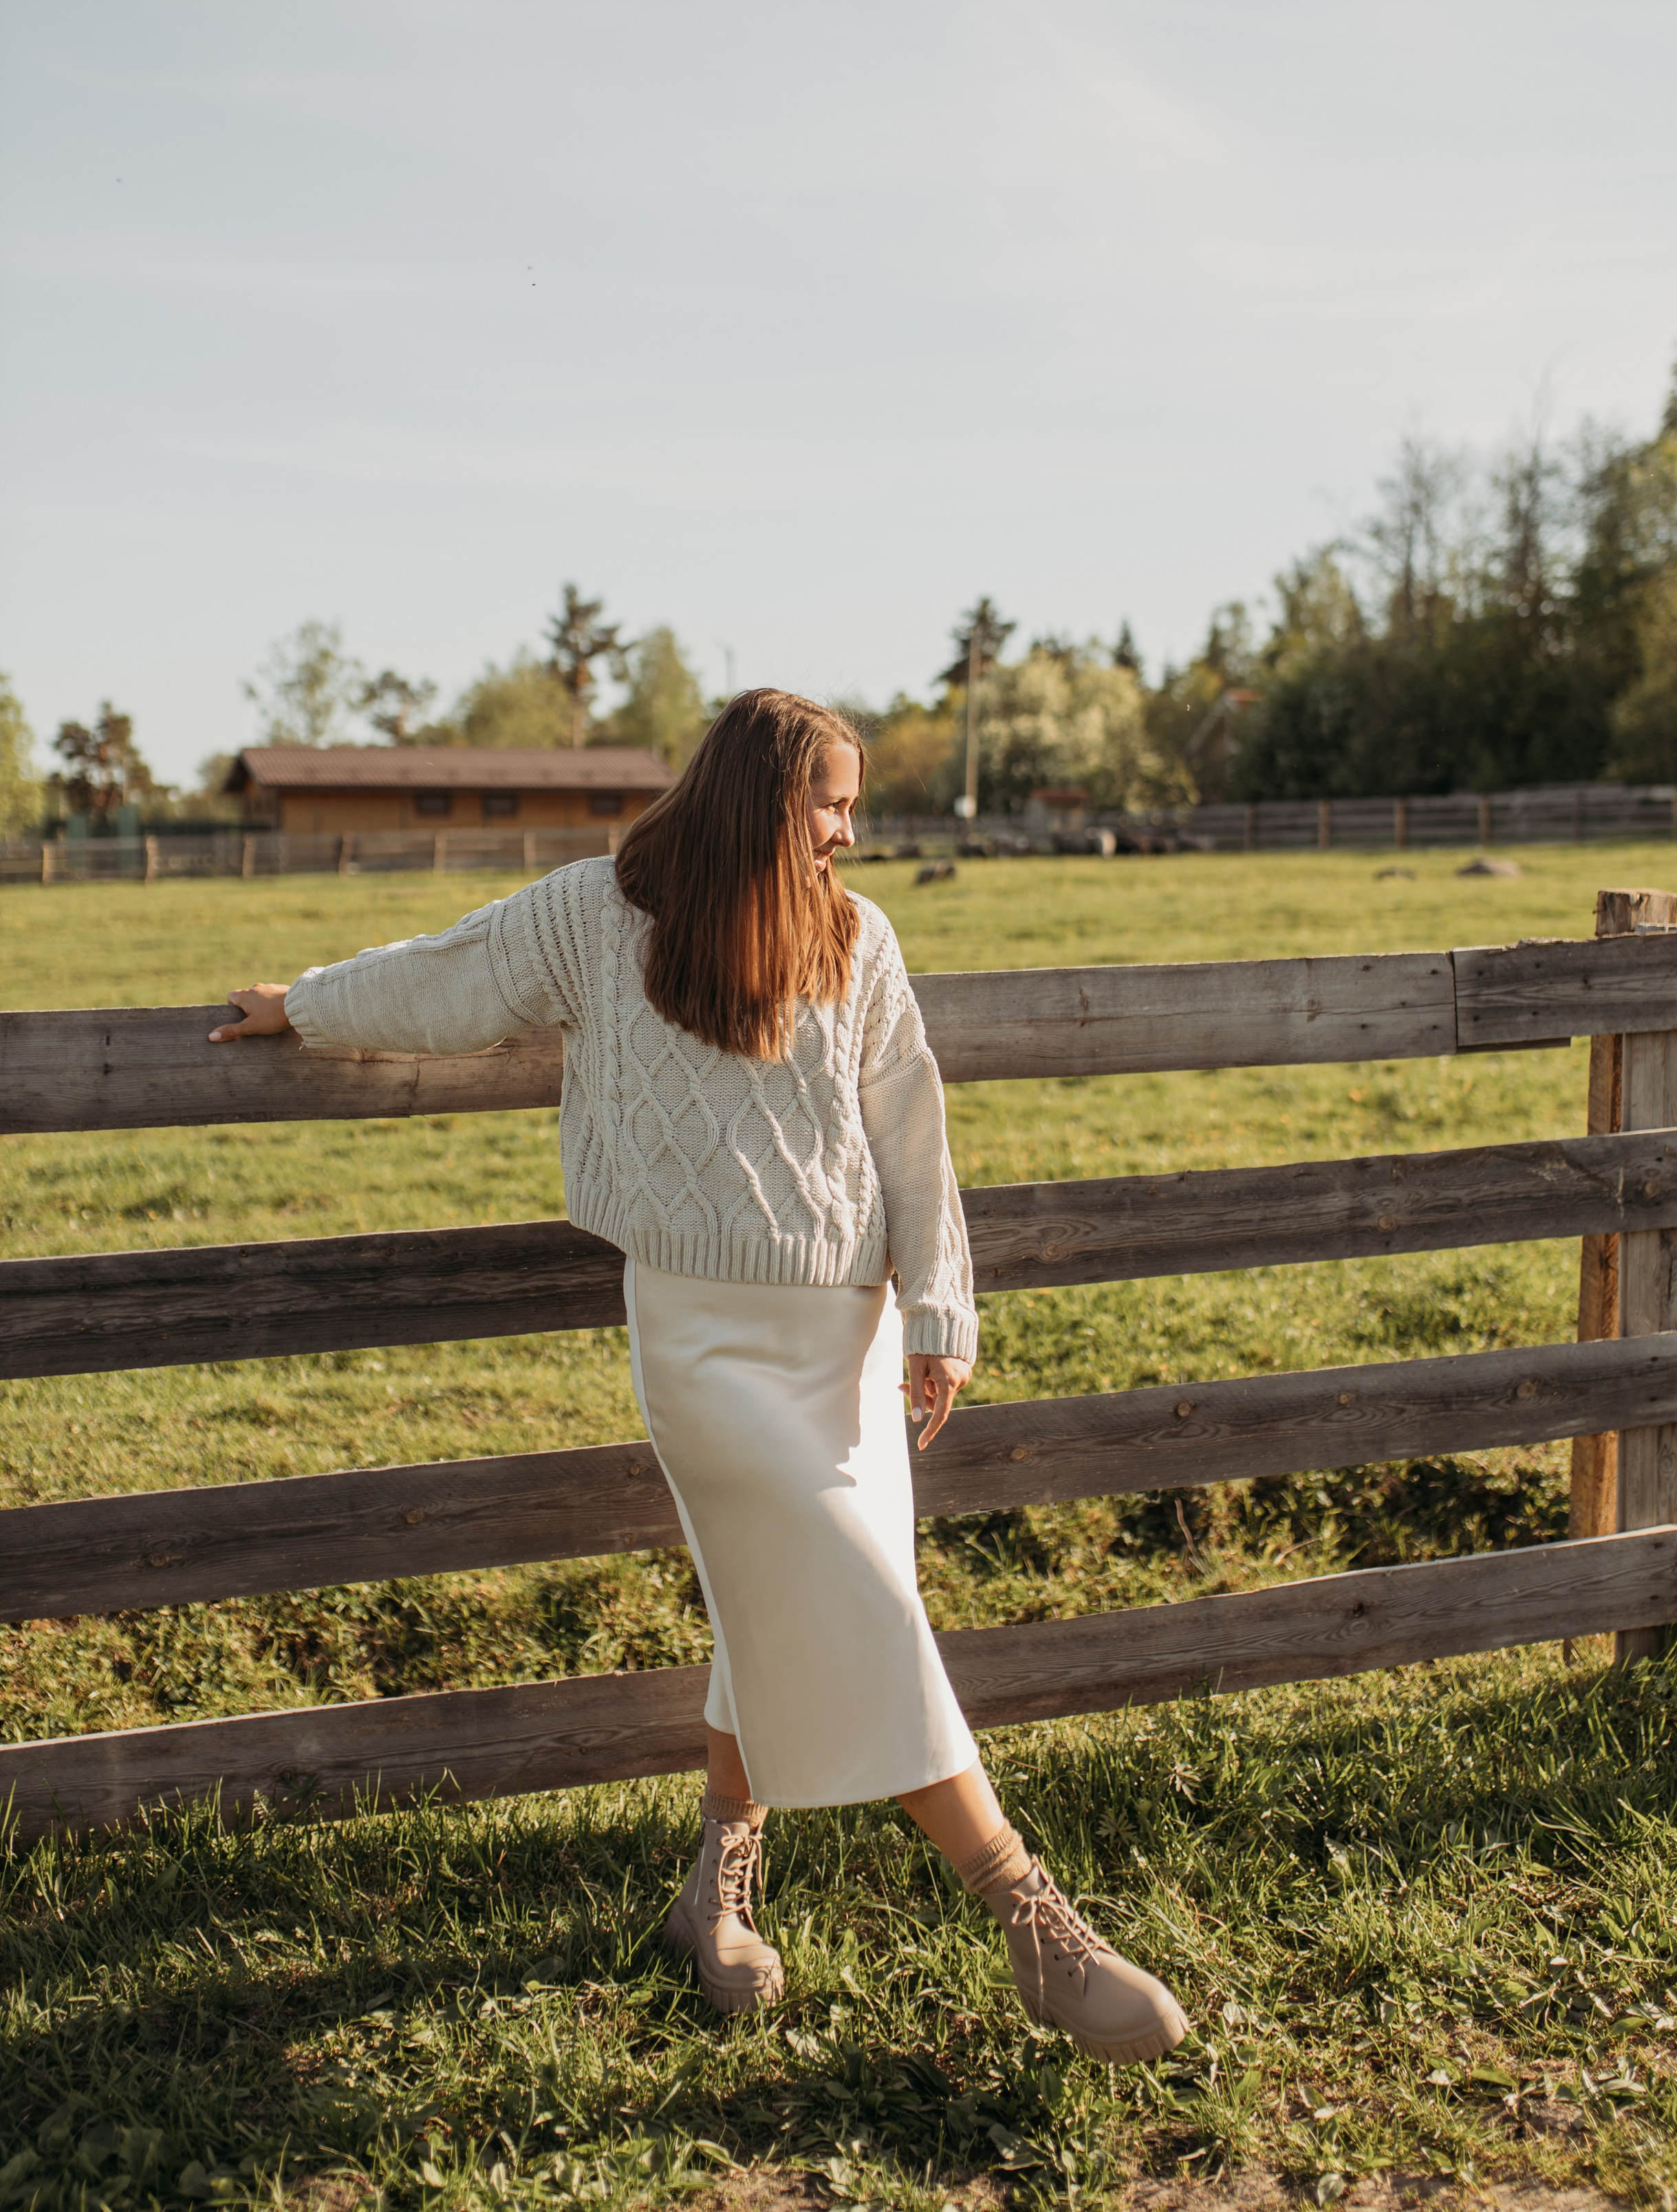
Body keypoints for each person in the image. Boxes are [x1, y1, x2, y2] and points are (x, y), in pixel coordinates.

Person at [213, 689, 1187, 2059]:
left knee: (783, 1596)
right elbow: (445, 978)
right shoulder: (589, 917)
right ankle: (1028, 1916)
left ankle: (712, 1889)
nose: (849, 832)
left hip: (839, 1339)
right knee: (850, 1599)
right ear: (754, 800)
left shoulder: (855, 935)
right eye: (828, 806)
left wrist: (938, 1306)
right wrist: (300, 1006)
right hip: (701, 1341)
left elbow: (907, 1124)